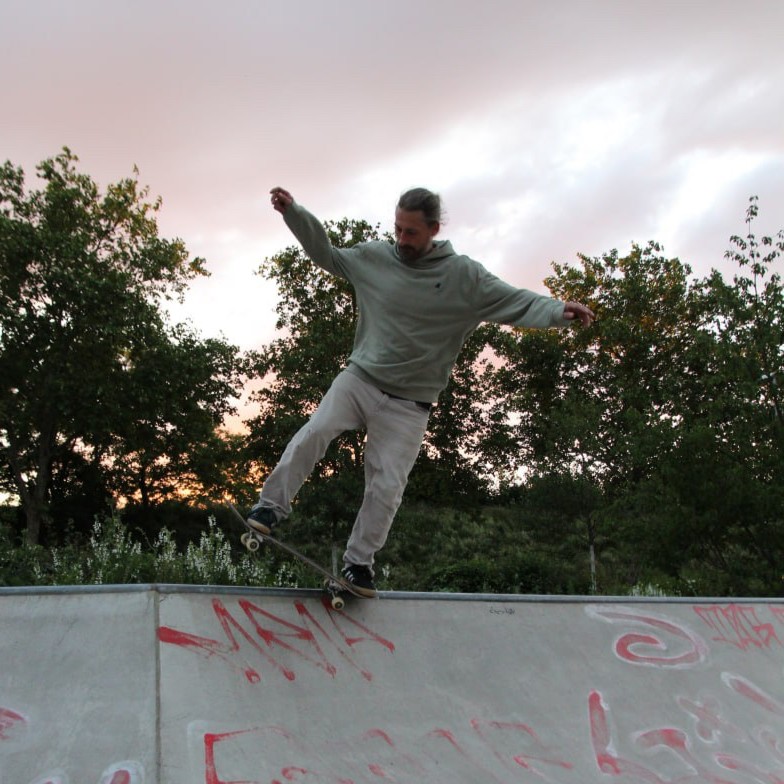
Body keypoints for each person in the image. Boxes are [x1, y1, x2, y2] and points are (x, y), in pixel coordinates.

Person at [246, 186, 595, 596]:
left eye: (411, 232)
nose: (402, 239)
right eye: (397, 229)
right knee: (316, 431)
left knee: (387, 486)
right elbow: (328, 254)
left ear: (433, 229)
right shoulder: (375, 257)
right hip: (360, 380)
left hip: (410, 404)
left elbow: (514, 299)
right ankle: (270, 507)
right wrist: (295, 214)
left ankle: (358, 565)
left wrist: (557, 310)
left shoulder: (464, 277)